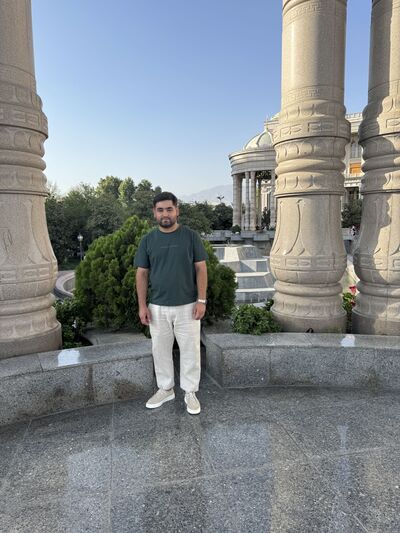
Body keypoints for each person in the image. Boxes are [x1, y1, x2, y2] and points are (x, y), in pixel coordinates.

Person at [134, 191, 208, 415]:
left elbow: (201, 269)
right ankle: (166, 389)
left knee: (190, 351)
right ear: (154, 213)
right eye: (160, 210)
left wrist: (201, 300)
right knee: (160, 350)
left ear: (177, 210)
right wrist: (142, 305)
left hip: (188, 306)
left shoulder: (191, 237)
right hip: (157, 307)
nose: (165, 214)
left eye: (169, 209)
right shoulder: (148, 240)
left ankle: (190, 392)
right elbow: (141, 274)